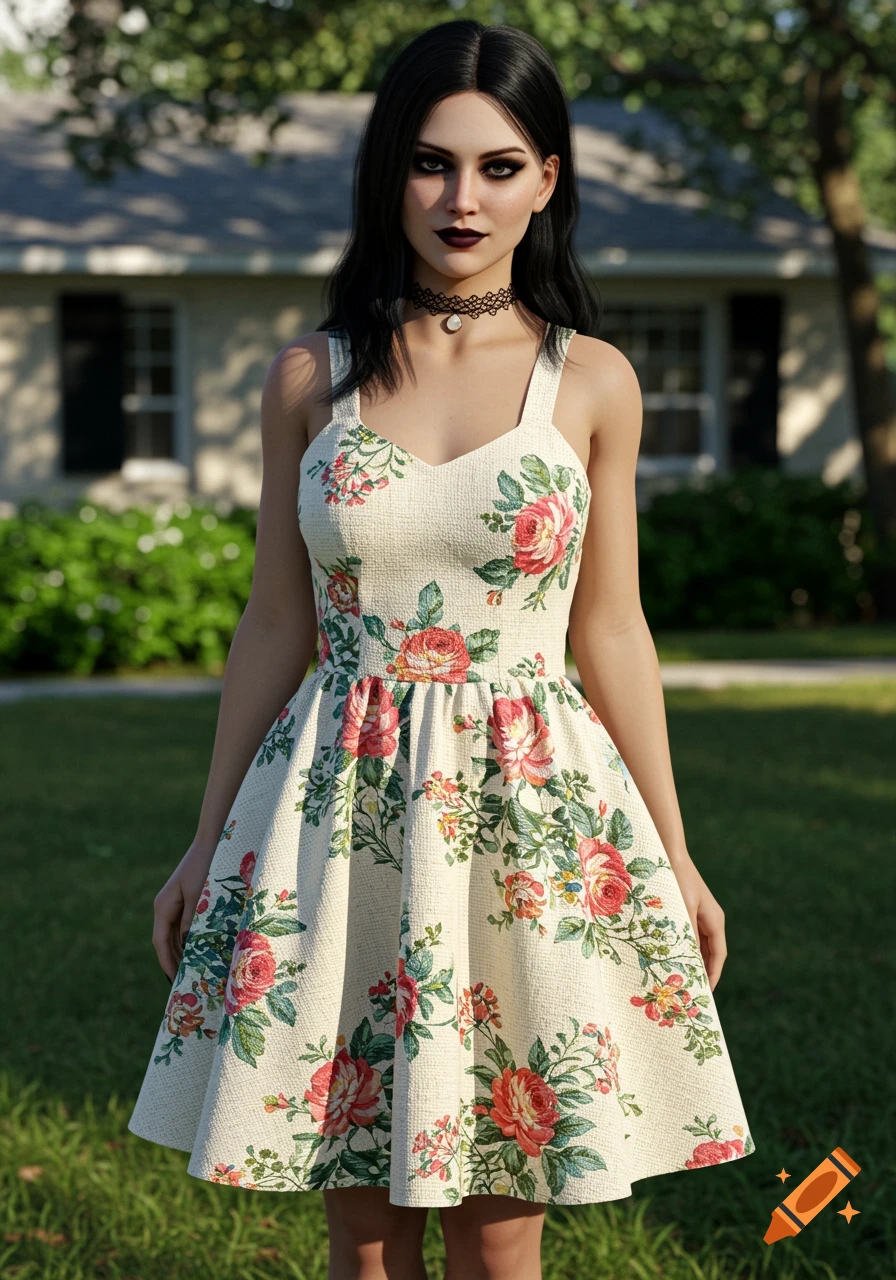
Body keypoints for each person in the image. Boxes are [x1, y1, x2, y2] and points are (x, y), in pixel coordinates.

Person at [128, 19, 755, 1280]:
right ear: (387, 174)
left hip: (524, 816)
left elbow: (610, 627)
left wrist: (675, 855)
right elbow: (274, 618)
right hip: (337, 813)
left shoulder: (593, 382)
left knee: (499, 1223)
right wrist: (204, 839)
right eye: (428, 164)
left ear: (547, 179)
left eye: (498, 165)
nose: (461, 199)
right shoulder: (312, 375)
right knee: (362, 1232)